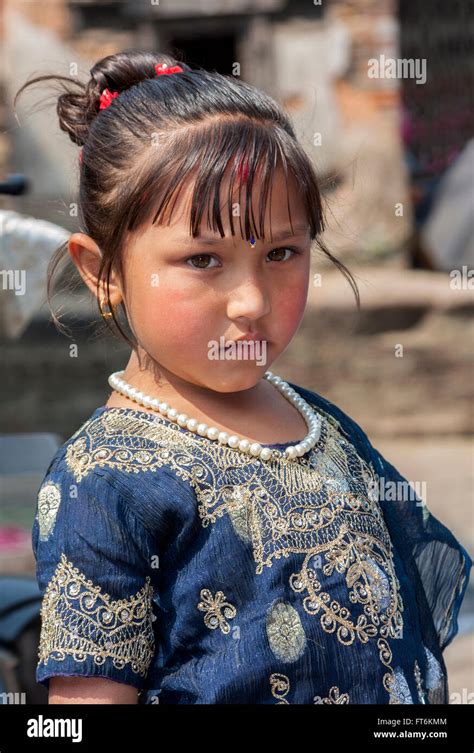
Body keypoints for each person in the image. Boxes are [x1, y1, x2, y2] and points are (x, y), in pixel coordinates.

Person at [15, 50, 472, 705]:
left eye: (281, 252)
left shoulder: (323, 425)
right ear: (102, 272)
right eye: (203, 259)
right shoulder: (105, 479)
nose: (251, 300)